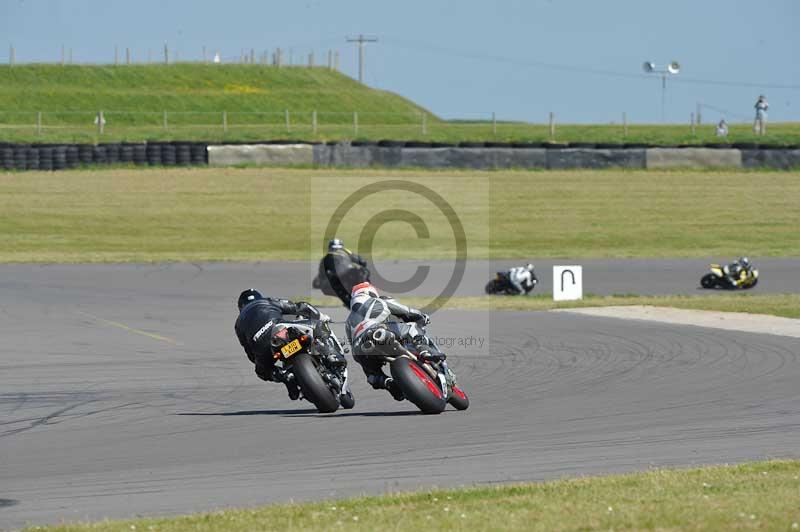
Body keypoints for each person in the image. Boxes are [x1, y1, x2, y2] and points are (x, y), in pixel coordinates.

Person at [345, 282, 442, 400]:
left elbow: (352, 343)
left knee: (372, 375)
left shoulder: (348, 321)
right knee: (412, 326)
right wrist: (421, 316)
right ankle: (423, 350)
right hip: (379, 333)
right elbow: (407, 311)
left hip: (360, 350)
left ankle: (388, 383)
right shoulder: (379, 301)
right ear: (371, 292)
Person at [234, 289, 336, 400]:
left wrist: (263, 361)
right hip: (281, 332)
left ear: (241, 307)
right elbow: (301, 307)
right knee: (318, 325)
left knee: (262, 372)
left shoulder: (238, 324)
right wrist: (321, 316)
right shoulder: (267, 301)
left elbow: (249, 353)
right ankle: (330, 355)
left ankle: (285, 376)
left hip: (264, 346)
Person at [320, 238, 370, 307]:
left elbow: (322, 275)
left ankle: (354, 300)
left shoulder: (325, 258)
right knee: (363, 271)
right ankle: (366, 293)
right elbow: (362, 262)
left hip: (338, 278)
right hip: (348, 275)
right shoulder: (345, 252)